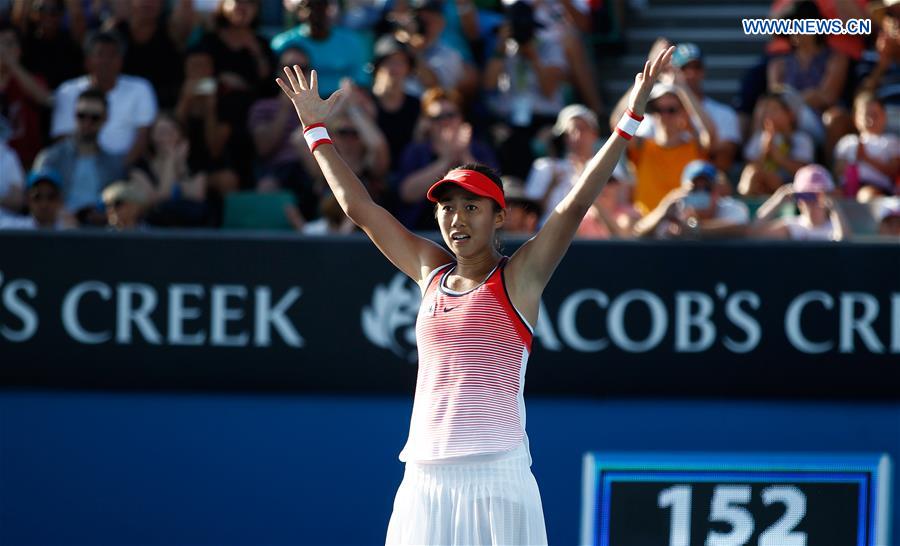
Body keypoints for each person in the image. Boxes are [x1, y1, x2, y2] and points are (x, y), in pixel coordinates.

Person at [275, 44, 674, 546]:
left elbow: (573, 207)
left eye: (472, 207)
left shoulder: (520, 277)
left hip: (497, 480)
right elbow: (359, 208)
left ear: (499, 217)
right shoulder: (428, 270)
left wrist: (631, 116)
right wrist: (316, 131)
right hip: (423, 479)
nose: (456, 218)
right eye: (447, 207)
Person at [50, 30, 158, 164]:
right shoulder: (67, 91)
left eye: (112, 55)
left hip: (127, 169)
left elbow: (143, 137)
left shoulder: (141, 88)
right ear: (87, 61)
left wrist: (118, 171)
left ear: (121, 61)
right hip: (76, 166)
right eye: (100, 54)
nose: (106, 61)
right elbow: (62, 138)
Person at [34, 87, 125, 223]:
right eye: (81, 116)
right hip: (56, 232)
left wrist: (105, 217)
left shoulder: (115, 164)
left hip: (102, 234)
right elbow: (35, 198)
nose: (87, 123)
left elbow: (121, 208)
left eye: (94, 118)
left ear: (105, 119)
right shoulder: (50, 158)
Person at [634, 159, 749, 239]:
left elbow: (741, 228)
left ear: (717, 190)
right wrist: (662, 212)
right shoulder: (674, 211)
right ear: (683, 191)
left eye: (707, 188)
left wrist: (694, 229)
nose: (701, 192)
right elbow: (638, 232)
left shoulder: (733, 208)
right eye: (694, 189)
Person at [738, 91, 814, 196]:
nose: (768, 114)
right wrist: (765, 151)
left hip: (790, 189)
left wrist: (777, 155)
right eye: (767, 110)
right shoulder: (759, 137)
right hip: (763, 185)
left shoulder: (801, 139)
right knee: (752, 172)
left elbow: (802, 172)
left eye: (774, 110)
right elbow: (751, 166)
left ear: (790, 114)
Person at [752, 163, 851, 241]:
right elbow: (753, 233)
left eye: (819, 195)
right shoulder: (791, 227)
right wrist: (778, 201)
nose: (813, 202)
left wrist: (834, 208)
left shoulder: (836, 226)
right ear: (798, 199)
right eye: (806, 195)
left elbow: (843, 244)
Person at [833, 92, 900, 202]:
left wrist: (866, 158)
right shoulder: (847, 142)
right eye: (866, 115)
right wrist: (850, 165)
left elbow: (893, 170)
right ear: (856, 118)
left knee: (866, 195)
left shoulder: (892, 141)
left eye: (875, 115)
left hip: (876, 189)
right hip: (846, 188)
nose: (870, 120)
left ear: (884, 116)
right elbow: (837, 171)